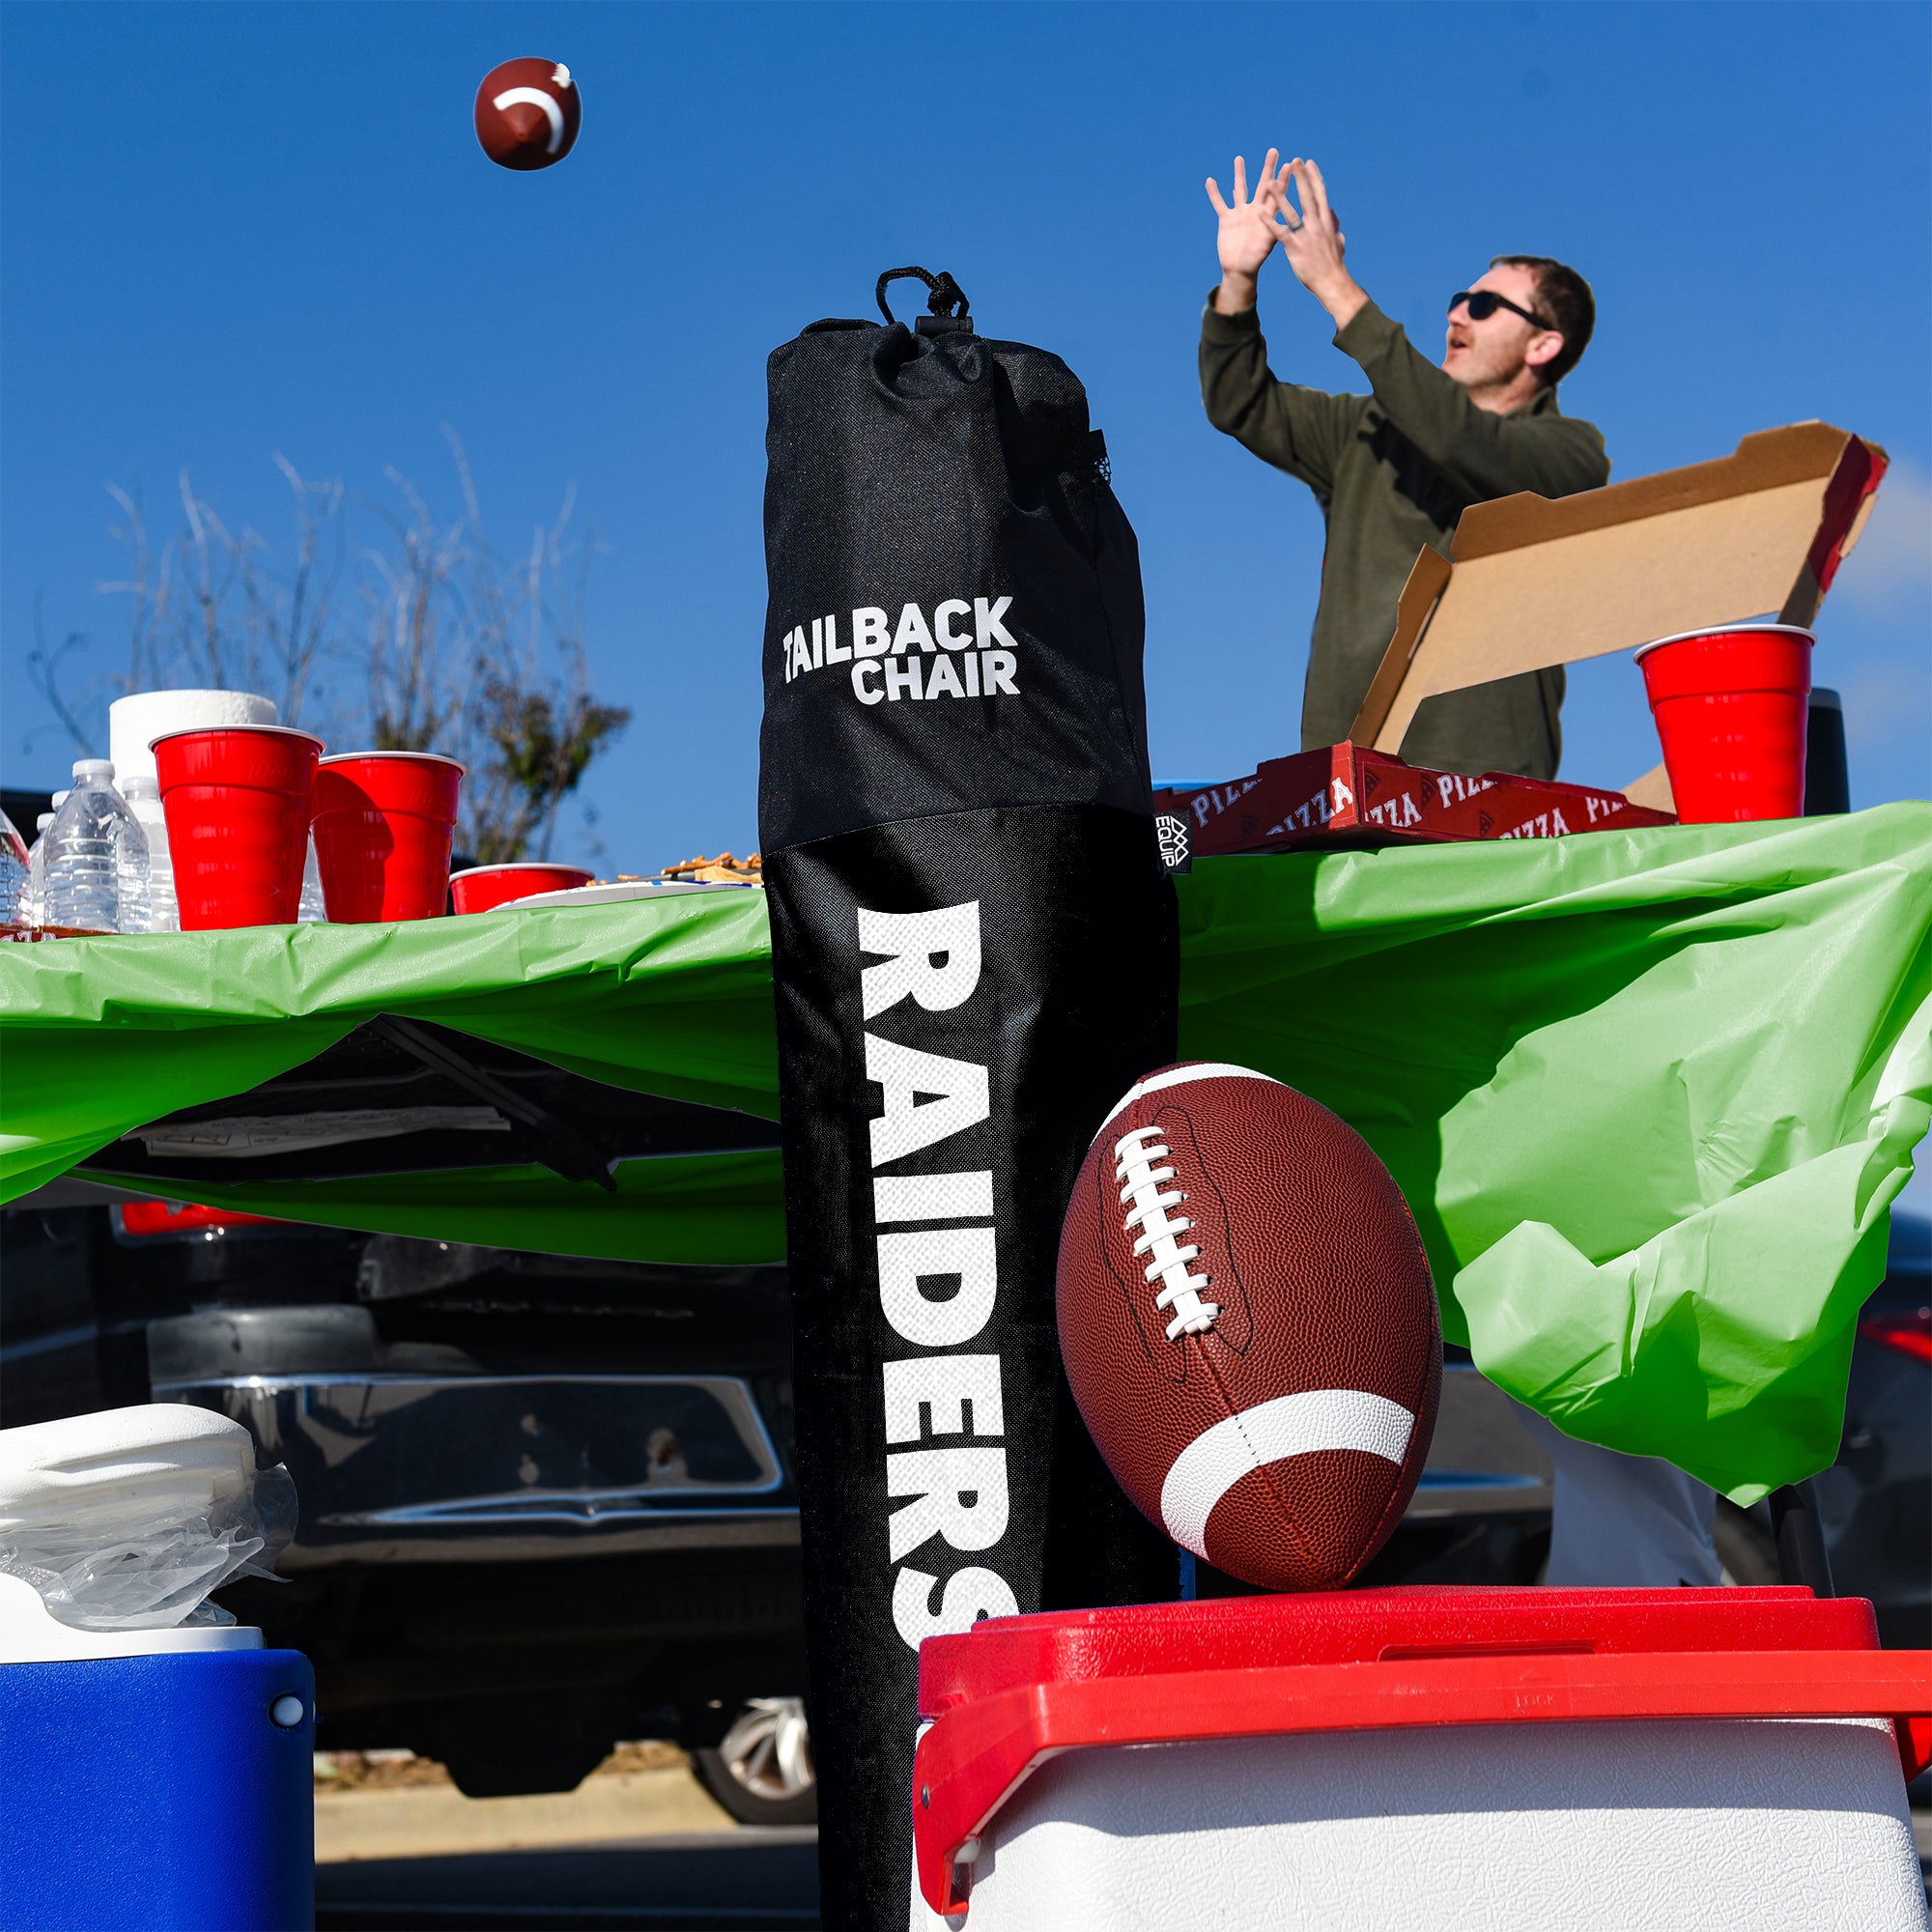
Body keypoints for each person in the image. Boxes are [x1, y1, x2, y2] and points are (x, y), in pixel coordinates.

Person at [1200, 151, 1607, 779]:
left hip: (1487, 781)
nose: (1455, 314)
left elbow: (1458, 440)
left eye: (1484, 306)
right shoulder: (1362, 429)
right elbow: (1240, 402)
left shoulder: (1572, 456)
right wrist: (1238, 283)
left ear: (1543, 344)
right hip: (1346, 770)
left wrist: (1338, 290)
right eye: (1459, 299)